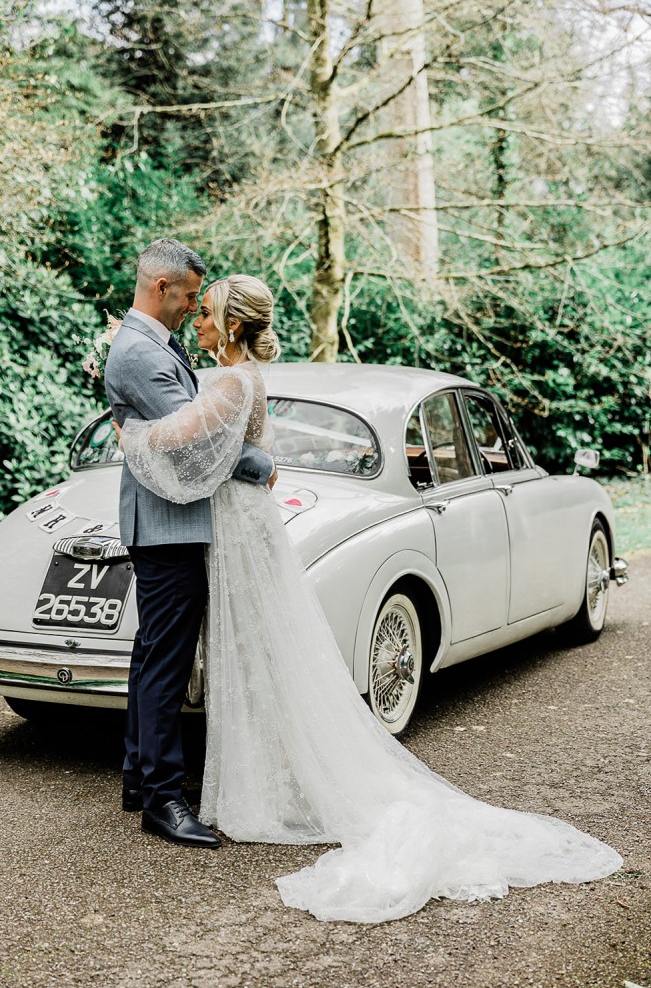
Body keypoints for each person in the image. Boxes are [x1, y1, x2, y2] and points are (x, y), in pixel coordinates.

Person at [118, 272, 622, 924]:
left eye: (207, 311)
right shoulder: (225, 376)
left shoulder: (234, 380)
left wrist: (128, 428)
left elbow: (182, 442)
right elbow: (228, 451)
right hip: (229, 526)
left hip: (236, 525)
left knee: (257, 651)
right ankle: (201, 773)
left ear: (232, 325)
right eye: (196, 308)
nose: (198, 321)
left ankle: (244, 775)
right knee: (240, 652)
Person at [104, 240, 276, 850]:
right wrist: (265, 466)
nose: (190, 309)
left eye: (200, 303)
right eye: (185, 297)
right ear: (161, 288)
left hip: (178, 519)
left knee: (155, 655)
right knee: (167, 662)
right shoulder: (138, 354)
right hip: (168, 523)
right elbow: (200, 446)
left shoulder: (150, 345)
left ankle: (140, 777)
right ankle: (163, 798)